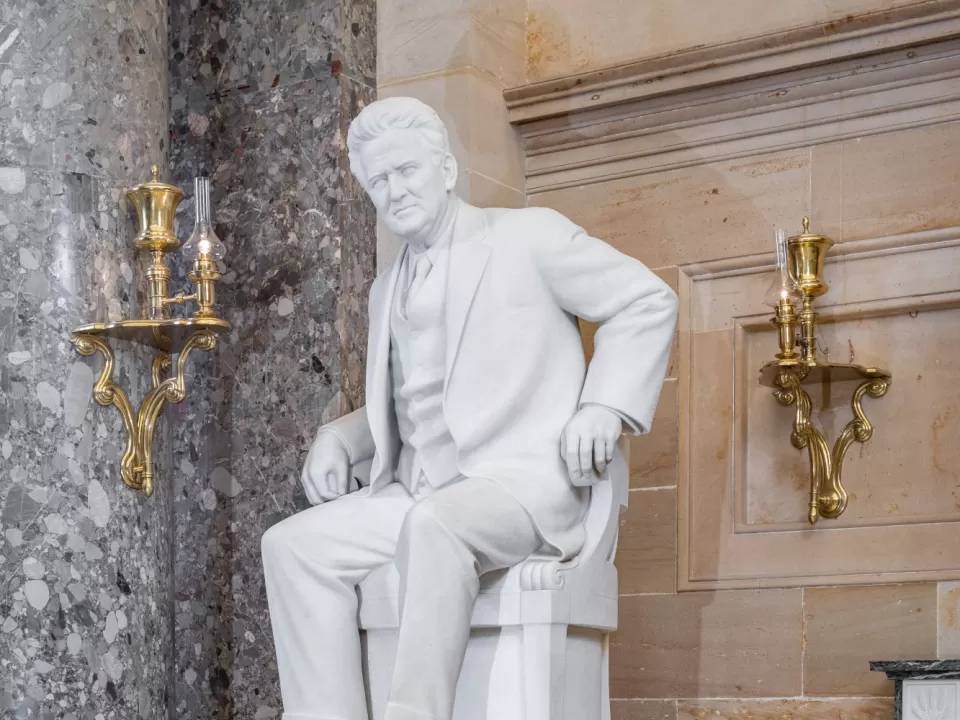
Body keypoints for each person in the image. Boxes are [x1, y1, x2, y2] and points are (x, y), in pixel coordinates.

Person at [261, 96, 678, 720]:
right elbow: (415, 399)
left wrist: (603, 405)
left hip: (517, 486)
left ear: (446, 170)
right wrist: (341, 439)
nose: (394, 190)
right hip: (418, 488)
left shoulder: (526, 237)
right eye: (378, 181)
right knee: (291, 547)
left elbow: (646, 300)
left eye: (406, 171)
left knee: (436, 524)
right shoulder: (385, 289)